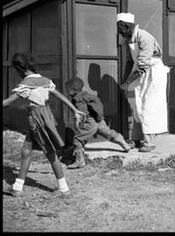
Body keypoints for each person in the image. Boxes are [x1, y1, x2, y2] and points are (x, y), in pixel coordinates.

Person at [3, 53, 85, 197]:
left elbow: (9, 101)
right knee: (26, 150)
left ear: (19, 68)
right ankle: (17, 186)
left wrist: (75, 110)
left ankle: (64, 188)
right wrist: (74, 110)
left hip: (37, 118)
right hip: (44, 116)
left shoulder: (26, 83)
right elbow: (60, 96)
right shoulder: (45, 80)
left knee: (50, 152)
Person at [117, 12, 170, 152]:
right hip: (141, 73)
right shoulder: (129, 39)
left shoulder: (144, 37)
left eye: (120, 28)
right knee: (136, 105)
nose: (119, 32)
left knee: (148, 106)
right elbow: (129, 61)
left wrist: (127, 83)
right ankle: (136, 138)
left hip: (153, 73)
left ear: (127, 26)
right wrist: (124, 81)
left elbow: (143, 65)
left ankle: (149, 142)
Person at [65, 77, 132, 169]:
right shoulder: (86, 95)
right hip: (99, 120)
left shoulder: (78, 98)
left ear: (74, 90)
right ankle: (124, 144)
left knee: (78, 139)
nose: (67, 91)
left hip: (90, 121)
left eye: (67, 89)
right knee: (108, 133)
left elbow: (82, 113)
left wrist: (78, 121)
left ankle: (79, 161)